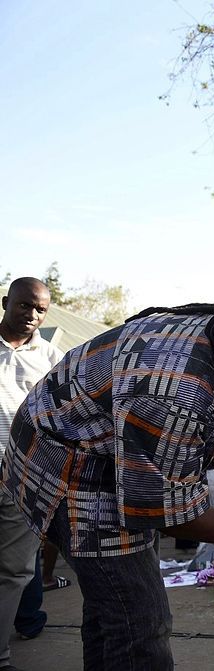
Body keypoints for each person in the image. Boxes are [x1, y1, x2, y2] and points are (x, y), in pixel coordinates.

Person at [0, 283, 214, 670]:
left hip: (99, 457)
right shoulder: (174, 389)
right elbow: (174, 515)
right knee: (139, 621)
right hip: (64, 467)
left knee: (115, 608)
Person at [0, 277, 62, 668]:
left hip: (20, 477)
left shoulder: (53, 358)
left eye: (40, 310)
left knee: (14, 571)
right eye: (25, 305)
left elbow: (62, 417)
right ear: (6, 302)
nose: (32, 315)